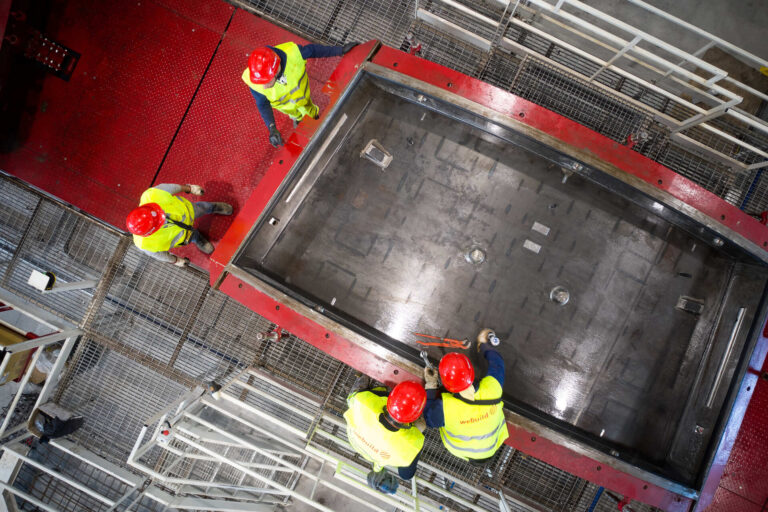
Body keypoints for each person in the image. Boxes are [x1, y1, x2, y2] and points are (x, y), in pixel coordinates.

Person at [242, 41, 359, 147]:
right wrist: (272, 127)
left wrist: (340, 50)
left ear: (276, 69)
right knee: (297, 116)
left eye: (266, 81)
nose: (264, 86)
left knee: (310, 110)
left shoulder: (294, 54)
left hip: (304, 97)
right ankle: (298, 119)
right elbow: (262, 104)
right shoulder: (254, 81)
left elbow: (313, 50)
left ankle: (314, 114)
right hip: (288, 109)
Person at [423, 328, 508, 465]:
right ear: (471, 373)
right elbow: (498, 364)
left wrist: (431, 384)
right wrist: (484, 344)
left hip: (473, 451)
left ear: (445, 384)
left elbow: (428, 417)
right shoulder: (492, 388)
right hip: (493, 444)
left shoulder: (444, 409)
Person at [343, 377, 426, 494]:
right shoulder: (363, 406)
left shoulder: (363, 404)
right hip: (358, 433)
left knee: (357, 396)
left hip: (362, 407)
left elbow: (417, 433)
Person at [126, 184, 232, 266]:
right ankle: (198, 238)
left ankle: (214, 207)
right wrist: (175, 260)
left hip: (187, 211)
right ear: (151, 231)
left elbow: (171, 188)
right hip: (183, 236)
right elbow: (160, 255)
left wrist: (189, 188)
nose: (161, 213)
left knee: (202, 208)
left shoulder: (150, 196)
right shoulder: (144, 244)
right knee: (192, 236)